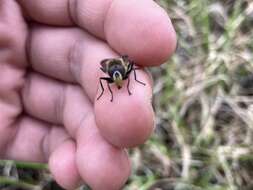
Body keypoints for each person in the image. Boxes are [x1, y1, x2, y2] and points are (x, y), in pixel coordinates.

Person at [0, 0, 176, 189]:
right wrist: (108, 91)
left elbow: (128, 66)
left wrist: (131, 83)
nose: (117, 83)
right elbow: (106, 75)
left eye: (118, 80)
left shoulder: (123, 72)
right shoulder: (108, 76)